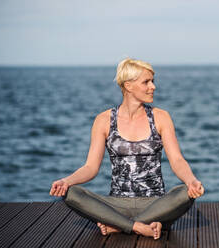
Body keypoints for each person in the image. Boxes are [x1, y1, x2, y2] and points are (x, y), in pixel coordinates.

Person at [49, 58, 204, 240]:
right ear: (128, 86)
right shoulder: (104, 120)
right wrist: (66, 181)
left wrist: (191, 180)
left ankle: (121, 225)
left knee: (185, 193)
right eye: (146, 82)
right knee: (71, 192)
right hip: (117, 204)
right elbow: (91, 167)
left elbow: (177, 160)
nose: (153, 87)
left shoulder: (161, 117)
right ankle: (140, 226)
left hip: (156, 204)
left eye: (153, 81)